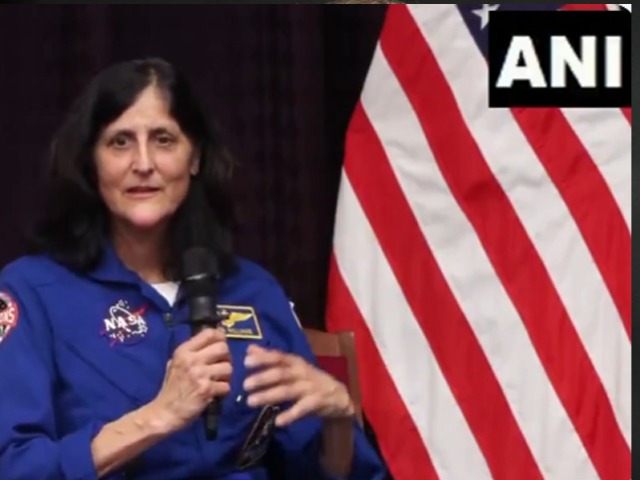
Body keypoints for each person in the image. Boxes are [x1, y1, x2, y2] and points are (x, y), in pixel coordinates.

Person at [0, 57, 386, 479]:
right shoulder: (32, 292)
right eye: (120, 142)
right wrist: (159, 416)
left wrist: (337, 420)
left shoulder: (252, 289)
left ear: (195, 157)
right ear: (92, 163)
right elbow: (15, 467)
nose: (143, 163)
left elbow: (323, 470)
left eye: (163, 140)